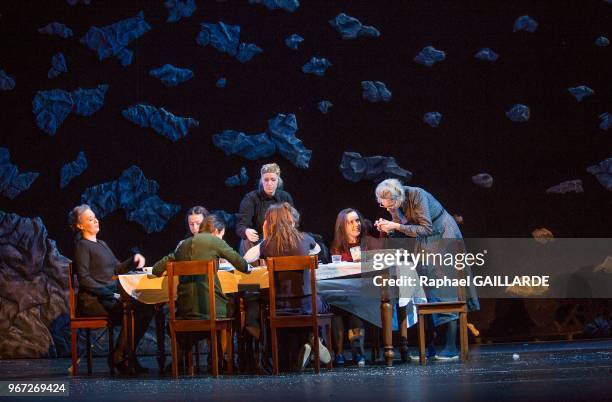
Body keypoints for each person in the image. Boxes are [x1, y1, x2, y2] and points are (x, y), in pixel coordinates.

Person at [373, 178, 480, 360]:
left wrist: (396, 225)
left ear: (396, 198)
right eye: (384, 206)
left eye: (390, 206)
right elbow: (402, 228)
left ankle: (450, 347)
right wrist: (388, 227)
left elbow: (426, 228)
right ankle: (430, 346)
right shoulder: (394, 203)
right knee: (425, 288)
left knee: (445, 288)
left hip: (443, 235)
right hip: (426, 243)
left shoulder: (417, 195)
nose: (388, 209)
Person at [68, 204, 154, 374]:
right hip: (93, 301)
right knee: (133, 310)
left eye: (95, 217)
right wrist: (111, 293)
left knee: (146, 309)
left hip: (109, 297)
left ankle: (124, 353)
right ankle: (119, 356)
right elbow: (84, 280)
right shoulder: (82, 246)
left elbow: (117, 268)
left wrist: (133, 259)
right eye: (90, 219)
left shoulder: (102, 244)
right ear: (80, 225)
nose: (96, 220)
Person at [260, 202, 331, 370]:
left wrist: (265, 236)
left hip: (279, 306)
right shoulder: (305, 238)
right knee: (324, 302)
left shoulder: (266, 245)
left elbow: (248, 258)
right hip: (307, 305)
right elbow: (318, 251)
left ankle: (309, 344)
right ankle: (315, 340)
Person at [152, 214, 249, 320]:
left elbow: (156, 269)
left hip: (184, 311)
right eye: (222, 235)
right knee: (234, 304)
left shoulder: (183, 245)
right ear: (216, 231)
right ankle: (225, 335)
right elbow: (243, 266)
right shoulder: (216, 241)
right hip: (213, 310)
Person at [329, 208, 368, 367]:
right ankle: (338, 353)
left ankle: (358, 353)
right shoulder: (337, 247)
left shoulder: (367, 243)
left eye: (357, 220)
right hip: (344, 291)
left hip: (363, 290)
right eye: (350, 222)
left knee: (354, 306)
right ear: (342, 226)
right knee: (335, 306)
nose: (355, 225)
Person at [235, 163, 294, 255]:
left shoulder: (285, 197)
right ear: (261, 180)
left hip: (280, 241)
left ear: (278, 180)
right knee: (246, 241)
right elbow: (240, 225)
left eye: (273, 180)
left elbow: (292, 221)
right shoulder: (250, 198)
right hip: (257, 242)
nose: (269, 183)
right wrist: (246, 231)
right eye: (266, 180)